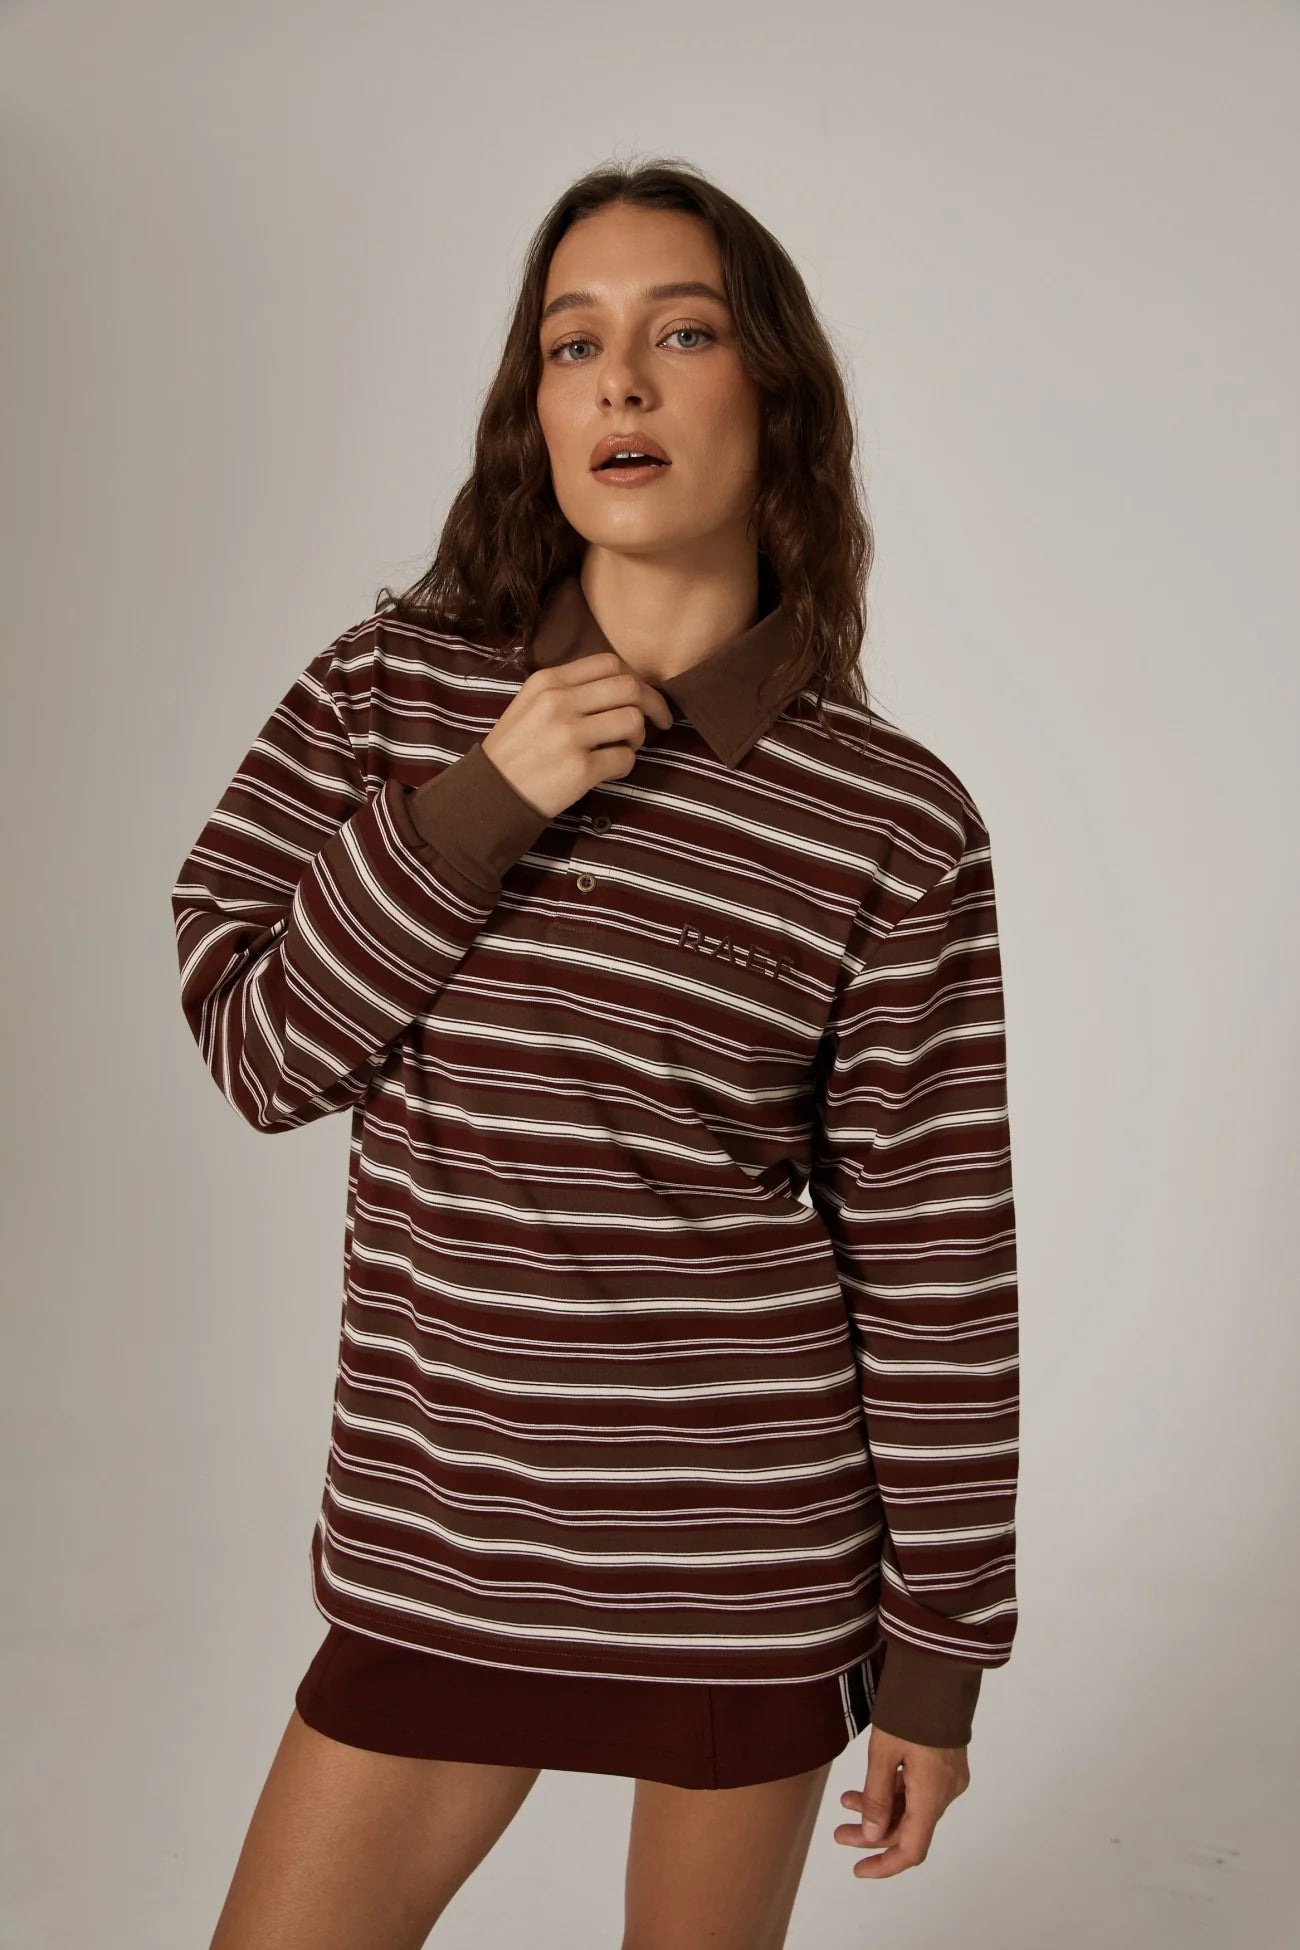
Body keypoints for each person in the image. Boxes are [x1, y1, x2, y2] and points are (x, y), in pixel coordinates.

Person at [173, 157, 1019, 1950]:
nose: (618, 380)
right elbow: (257, 1048)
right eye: (574, 342)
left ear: (771, 395)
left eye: (681, 331)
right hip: (438, 1555)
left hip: (741, 1565)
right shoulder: (388, 695)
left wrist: (936, 1665)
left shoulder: (893, 818)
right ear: (534, 406)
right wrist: (483, 803)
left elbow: (937, 1259)